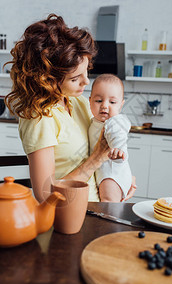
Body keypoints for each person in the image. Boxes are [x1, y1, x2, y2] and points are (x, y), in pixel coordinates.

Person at [4, 14, 136, 203]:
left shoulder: (79, 102)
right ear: (48, 80)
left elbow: (108, 142)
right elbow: (46, 195)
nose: (86, 81)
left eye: (86, 71)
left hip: (101, 208)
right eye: (75, 79)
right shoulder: (39, 117)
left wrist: (121, 177)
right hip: (70, 217)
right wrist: (97, 158)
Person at [89, 74, 135, 202]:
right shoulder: (94, 121)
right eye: (98, 101)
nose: (104, 105)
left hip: (113, 172)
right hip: (102, 171)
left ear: (121, 105)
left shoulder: (114, 122)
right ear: (90, 100)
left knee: (109, 204)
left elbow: (118, 135)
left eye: (112, 102)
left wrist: (118, 150)